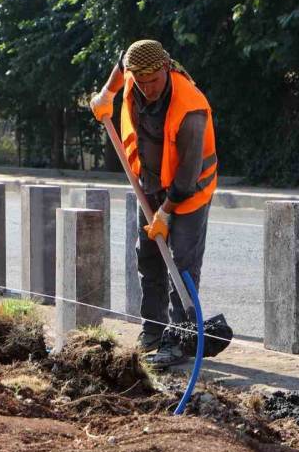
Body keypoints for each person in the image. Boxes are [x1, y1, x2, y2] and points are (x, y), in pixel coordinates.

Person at [89, 39, 218, 368]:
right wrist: (107, 94)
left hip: (188, 193)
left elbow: (187, 178)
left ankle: (177, 338)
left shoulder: (191, 108)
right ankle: (153, 329)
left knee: (182, 267)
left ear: (166, 68)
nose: (147, 88)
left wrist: (164, 212)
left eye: (153, 81)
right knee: (147, 257)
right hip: (148, 184)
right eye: (140, 82)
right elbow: (122, 62)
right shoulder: (135, 74)